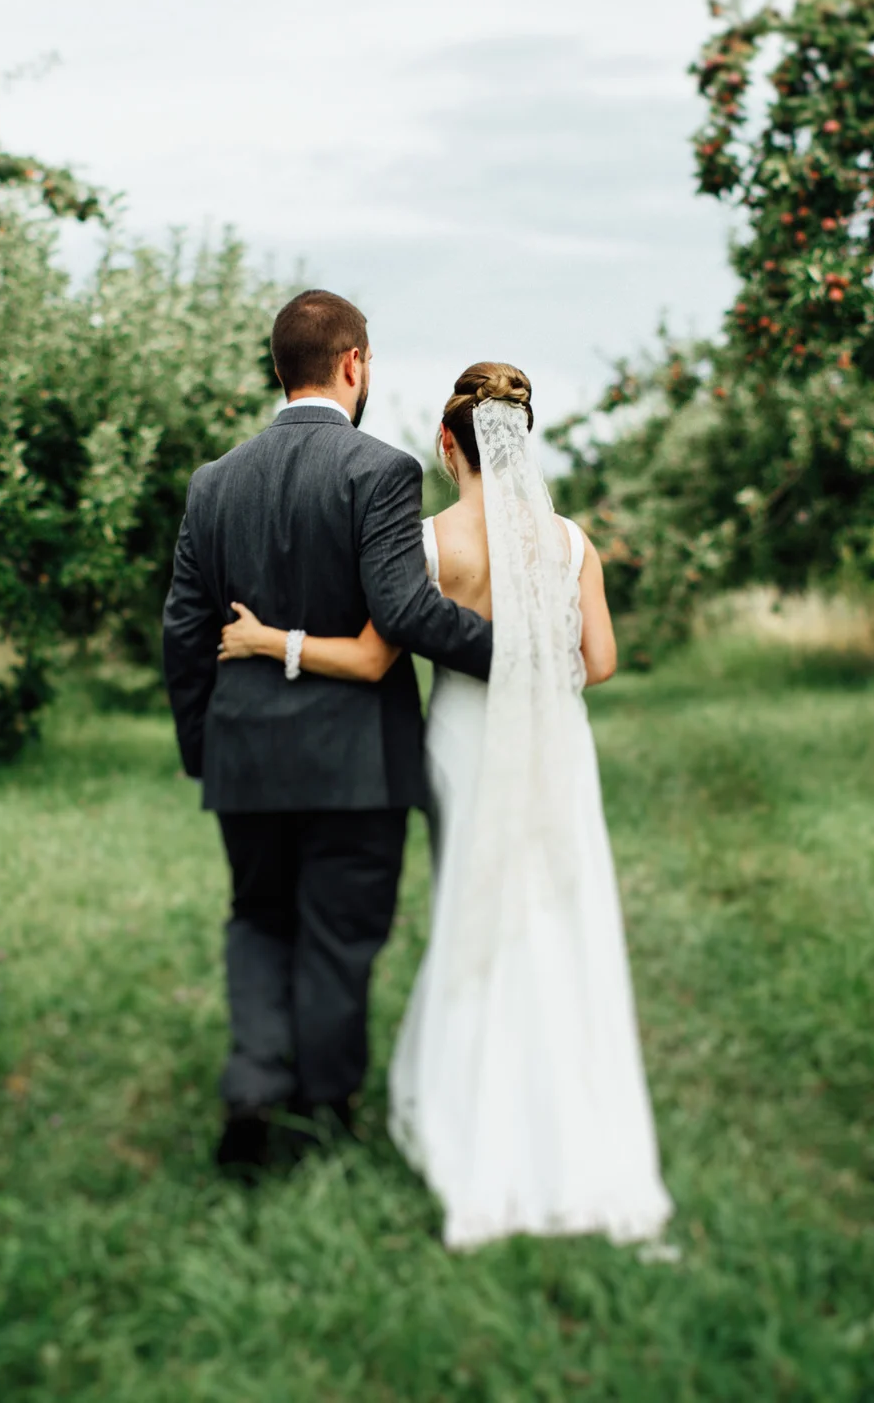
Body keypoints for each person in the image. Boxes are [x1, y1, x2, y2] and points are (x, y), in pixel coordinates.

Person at [214, 362, 673, 1250]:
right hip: (556, 742)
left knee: (475, 904)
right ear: (521, 441)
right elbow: (602, 662)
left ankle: (474, 1103)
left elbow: (370, 659)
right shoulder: (572, 541)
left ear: (445, 446)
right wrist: (537, 670)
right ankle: (568, 1097)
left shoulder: (428, 543)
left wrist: (268, 639)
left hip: (465, 742)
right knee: (556, 910)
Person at [160, 291, 495, 1178]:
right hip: (356, 761)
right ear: (354, 364)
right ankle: (324, 1108)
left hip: (246, 756)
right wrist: (523, 655)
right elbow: (406, 612)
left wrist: (206, 748)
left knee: (259, 920)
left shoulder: (213, 482)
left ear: (282, 369)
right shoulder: (380, 471)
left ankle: (252, 1095)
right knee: (341, 933)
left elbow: (184, 630)